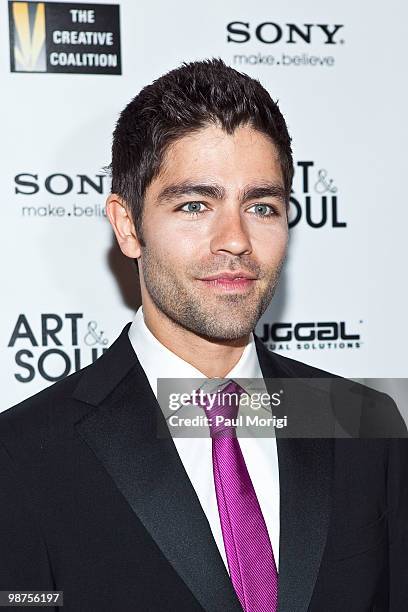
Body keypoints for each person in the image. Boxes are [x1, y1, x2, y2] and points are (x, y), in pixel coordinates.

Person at [0, 58, 407, 612]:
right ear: (128, 225)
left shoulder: (362, 420)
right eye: (195, 205)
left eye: (261, 206)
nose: (235, 239)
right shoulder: (23, 456)